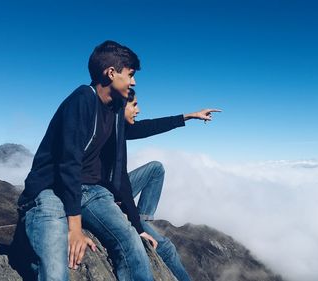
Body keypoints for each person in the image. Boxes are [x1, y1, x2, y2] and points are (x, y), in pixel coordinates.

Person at [17, 40, 157, 281]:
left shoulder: (116, 108)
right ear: (111, 73)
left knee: (131, 244)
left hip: (92, 191)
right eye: (130, 74)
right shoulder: (82, 99)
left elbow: (128, 152)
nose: (134, 82)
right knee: (54, 267)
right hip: (49, 191)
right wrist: (74, 229)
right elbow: (69, 163)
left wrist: (137, 228)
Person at [121, 88, 220, 280]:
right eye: (134, 105)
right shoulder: (105, 131)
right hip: (107, 195)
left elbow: (153, 125)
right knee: (166, 247)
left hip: (115, 189)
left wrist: (190, 116)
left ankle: (143, 218)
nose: (138, 110)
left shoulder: (119, 128)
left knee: (156, 168)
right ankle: (139, 222)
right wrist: (133, 222)